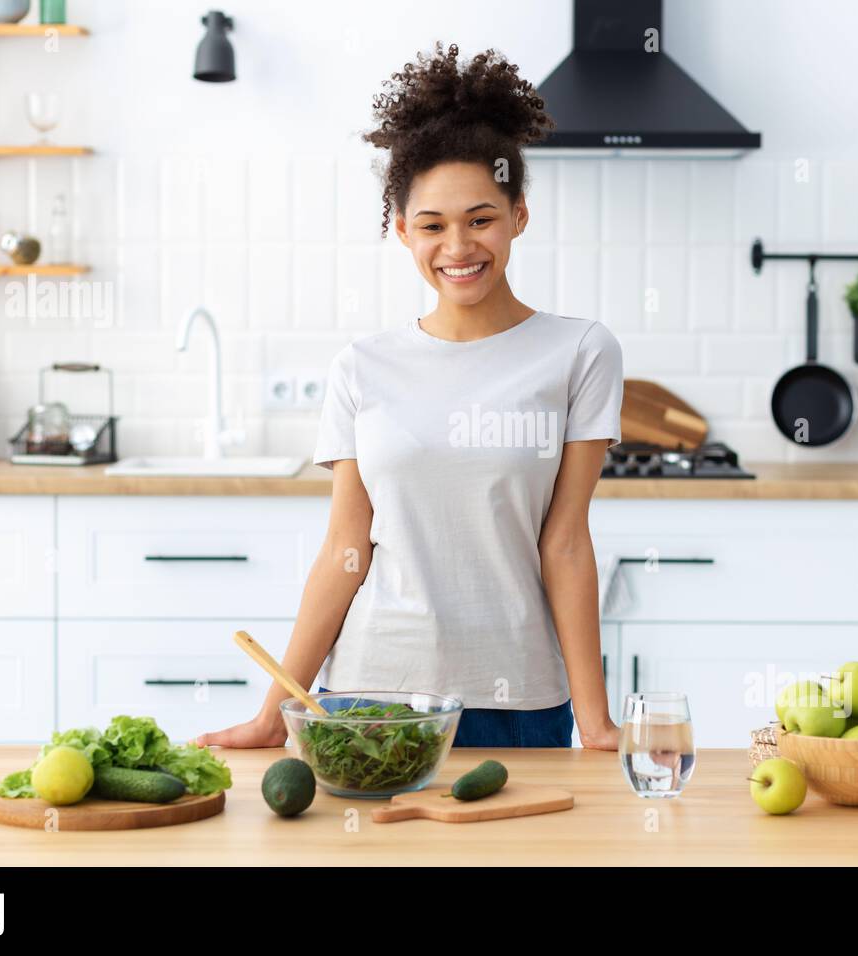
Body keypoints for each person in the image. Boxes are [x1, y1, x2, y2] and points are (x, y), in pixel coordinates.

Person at [196, 42, 623, 751]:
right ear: (401, 231)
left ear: (519, 214)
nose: (458, 245)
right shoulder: (363, 367)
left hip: (518, 697)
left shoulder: (579, 352)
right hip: (371, 696)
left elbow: (567, 543)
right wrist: (274, 713)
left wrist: (597, 718)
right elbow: (345, 548)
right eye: (432, 225)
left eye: (481, 218)